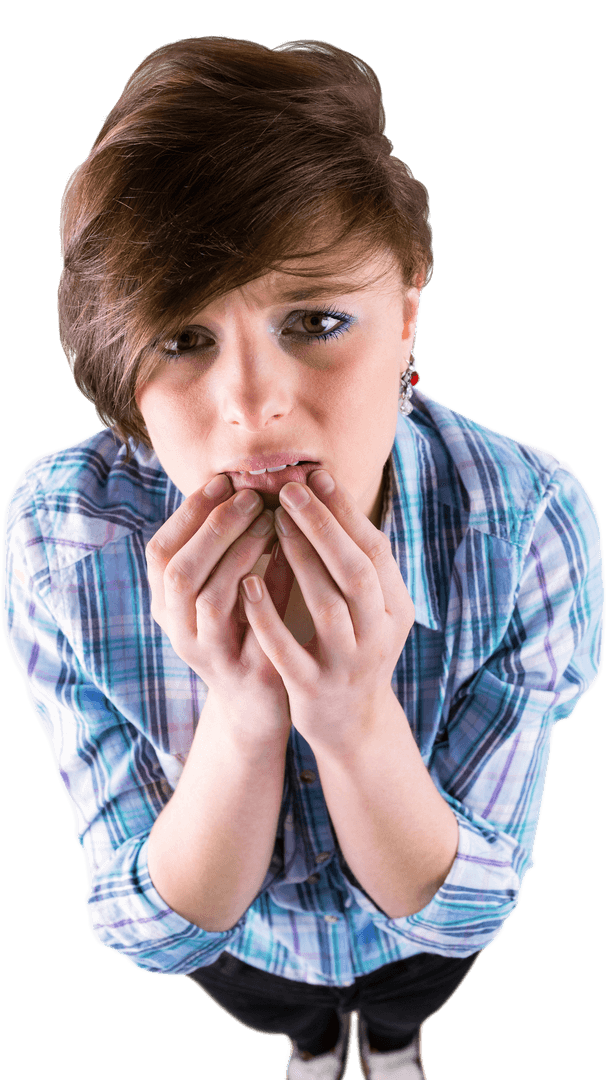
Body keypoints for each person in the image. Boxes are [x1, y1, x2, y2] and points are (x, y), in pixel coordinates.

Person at [2, 36, 603, 1080]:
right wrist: (241, 717)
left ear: (407, 312)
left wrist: (354, 714)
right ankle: (319, 1048)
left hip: (417, 939)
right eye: (182, 341)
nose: (251, 405)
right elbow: (154, 929)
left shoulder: (527, 521)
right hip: (252, 949)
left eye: (317, 321)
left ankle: (400, 1044)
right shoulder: (67, 537)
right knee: (288, 1010)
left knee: (411, 989)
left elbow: (469, 898)